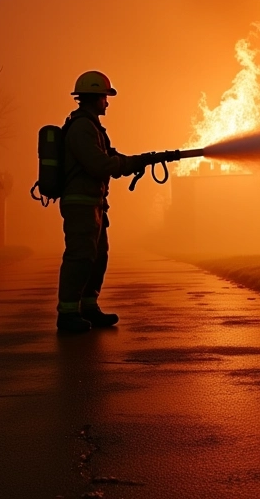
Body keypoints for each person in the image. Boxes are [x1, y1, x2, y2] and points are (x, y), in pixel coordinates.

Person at [56, 71, 151, 333]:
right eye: (105, 97)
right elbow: (100, 165)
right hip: (81, 204)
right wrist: (128, 164)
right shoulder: (82, 128)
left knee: (98, 257)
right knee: (80, 256)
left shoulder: (92, 127)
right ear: (95, 98)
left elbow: (110, 157)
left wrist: (138, 160)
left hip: (94, 203)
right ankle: (67, 314)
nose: (107, 103)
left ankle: (88, 307)